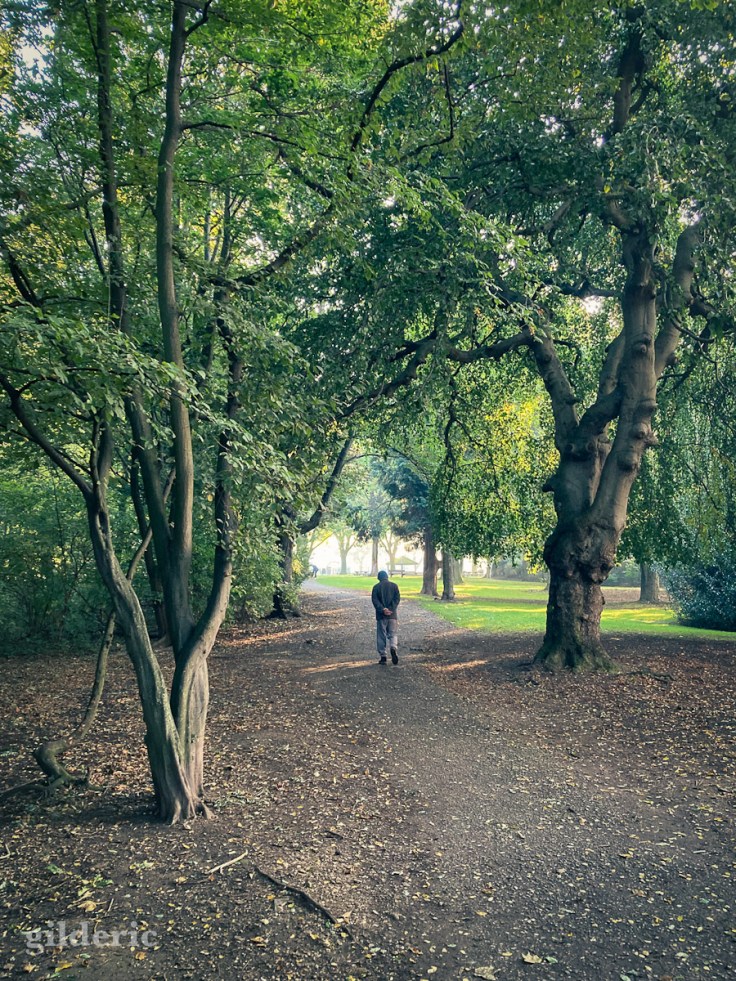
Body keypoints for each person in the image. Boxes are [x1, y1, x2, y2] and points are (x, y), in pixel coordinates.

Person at [371, 570, 400, 665]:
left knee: (381, 635)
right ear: (387, 577)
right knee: (393, 634)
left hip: (381, 615)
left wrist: (383, 609)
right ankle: (393, 647)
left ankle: (383, 656)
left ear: (378, 578)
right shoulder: (394, 586)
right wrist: (391, 608)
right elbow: (397, 599)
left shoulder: (376, 587)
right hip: (392, 615)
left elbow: (375, 600)